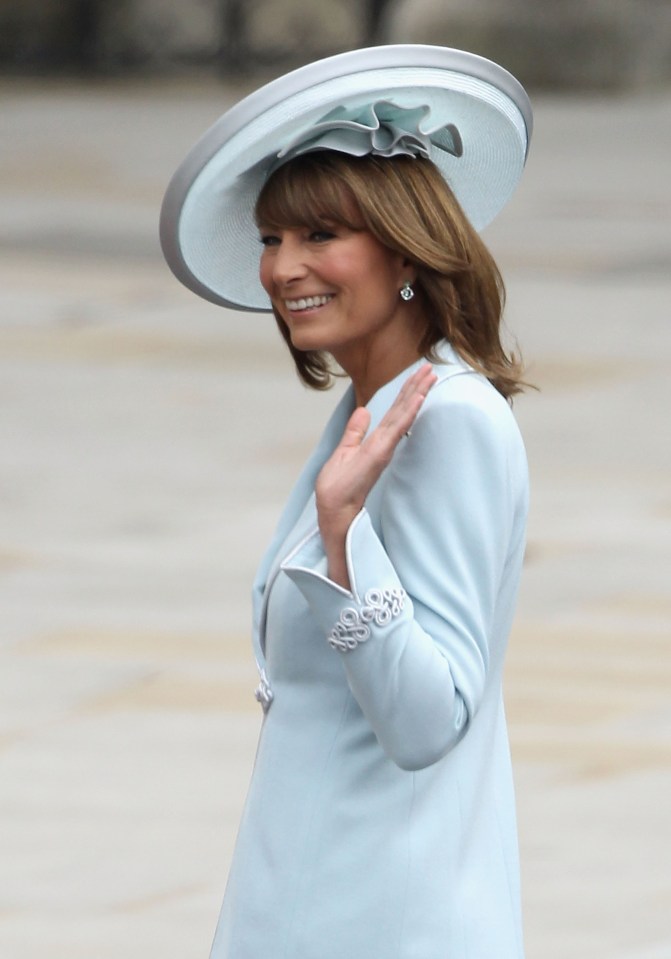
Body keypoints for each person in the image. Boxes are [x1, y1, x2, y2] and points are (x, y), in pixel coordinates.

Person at [160, 44, 533, 959]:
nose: (284, 268)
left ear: (405, 248)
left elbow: (428, 719)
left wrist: (344, 537)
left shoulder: (451, 422)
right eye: (270, 239)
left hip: (382, 917)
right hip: (305, 901)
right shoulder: (368, 409)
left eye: (320, 234)